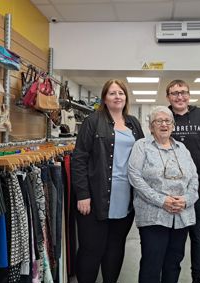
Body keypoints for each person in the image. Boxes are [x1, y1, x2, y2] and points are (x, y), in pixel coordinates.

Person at [71, 79, 144, 283]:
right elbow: (79, 158)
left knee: (115, 247)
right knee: (91, 249)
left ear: (126, 97)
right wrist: (83, 194)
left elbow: (142, 156)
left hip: (125, 198)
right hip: (95, 197)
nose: (117, 96)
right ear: (104, 98)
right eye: (112, 93)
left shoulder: (133, 124)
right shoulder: (92, 121)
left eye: (121, 93)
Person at [128, 106, 199, 283]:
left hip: (181, 215)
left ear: (173, 126)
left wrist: (186, 200)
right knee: (152, 265)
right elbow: (134, 177)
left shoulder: (182, 148)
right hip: (154, 216)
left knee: (174, 263)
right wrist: (162, 201)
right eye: (158, 121)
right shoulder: (141, 146)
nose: (164, 124)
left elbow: (194, 178)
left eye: (168, 121)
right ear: (151, 127)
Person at [166, 79, 200, 283]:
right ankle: (171, 278)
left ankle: (198, 278)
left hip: (198, 189)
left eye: (183, 92)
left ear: (189, 94)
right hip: (171, 190)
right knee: (174, 240)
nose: (180, 96)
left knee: (198, 238)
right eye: (175, 93)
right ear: (168, 97)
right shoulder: (165, 116)